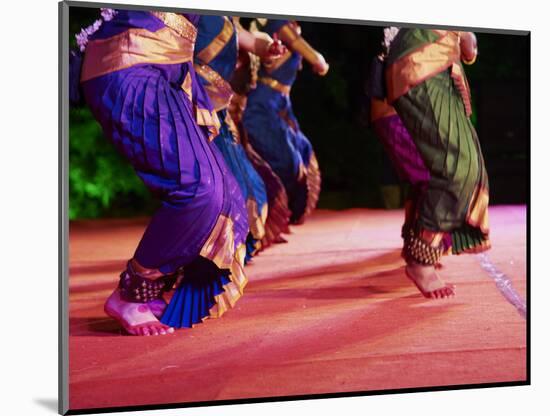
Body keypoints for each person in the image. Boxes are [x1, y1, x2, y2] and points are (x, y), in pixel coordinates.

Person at [80, 10, 249, 334]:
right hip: (131, 58)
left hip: (169, 66)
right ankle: (130, 293)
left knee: (227, 196)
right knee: (200, 188)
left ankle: (155, 285)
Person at [381, 28, 489, 298]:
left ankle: (422, 246)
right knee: (457, 164)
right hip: (422, 58)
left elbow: (468, 45)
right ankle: (421, 257)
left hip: (438, 62)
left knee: (469, 164)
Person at [192, 15, 282, 260]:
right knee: (224, 189)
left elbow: (251, 41)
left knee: (252, 188)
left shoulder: (226, 21)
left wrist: (268, 48)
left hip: (220, 114)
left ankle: (231, 253)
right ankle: (204, 258)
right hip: (196, 110)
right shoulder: (193, 14)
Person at [242, 19, 328, 224]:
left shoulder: (288, 27)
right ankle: (264, 217)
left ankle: (278, 219)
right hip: (262, 104)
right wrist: (319, 62)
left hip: (279, 103)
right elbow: (317, 59)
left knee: (303, 151)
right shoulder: (278, 24)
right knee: (287, 162)